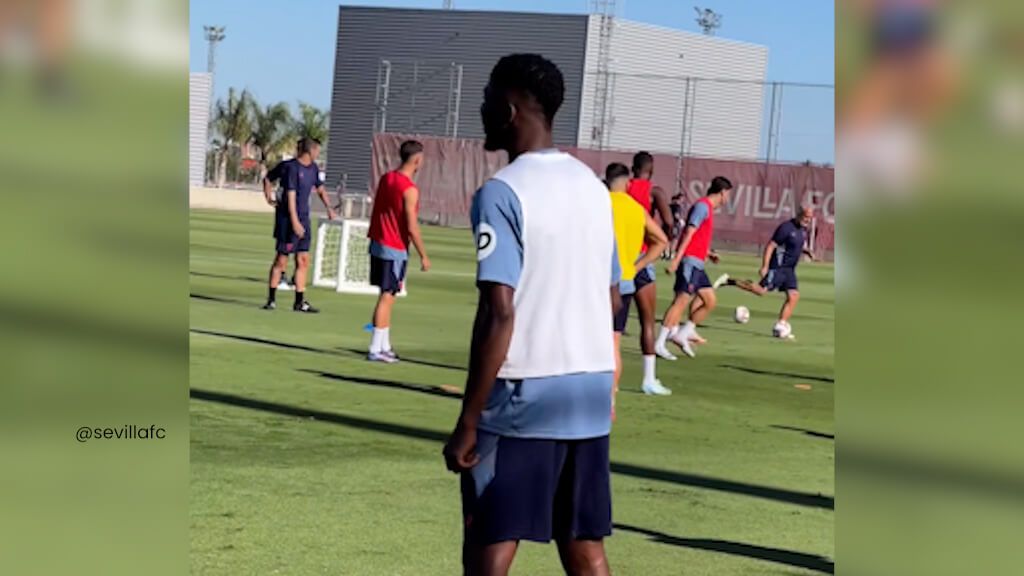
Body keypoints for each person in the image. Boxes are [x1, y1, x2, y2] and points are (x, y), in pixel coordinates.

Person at [443, 53, 619, 576]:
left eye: (487, 98)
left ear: (509, 108)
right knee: (585, 548)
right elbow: (612, 299)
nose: (481, 107)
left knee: (489, 549)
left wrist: (469, 419)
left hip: (525, 396)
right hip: (588, 392)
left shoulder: (502, 192)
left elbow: (499, 312)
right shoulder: (594, 188)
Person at [606, 163, 670, 400]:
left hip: (596, 281)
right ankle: (610, 396)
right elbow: (662, 240)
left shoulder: (598, 204)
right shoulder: (636, 209)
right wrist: (636, 266)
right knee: (614, 341)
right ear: (628, 183)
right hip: (624, 281)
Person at [365, 139, 431, 363]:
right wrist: (424, 255)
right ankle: (375, 348)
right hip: (394, 246)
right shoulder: (409, 189)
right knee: (387, 296)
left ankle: (384, 345)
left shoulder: (386, 178)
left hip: (378, 241)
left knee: (388, 295)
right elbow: (412, 226)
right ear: (417, 160)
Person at [654, 176, 733, 360]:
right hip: (689, 262)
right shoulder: (702, 207)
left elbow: (698, 237)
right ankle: (660, 342)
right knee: (681, 301)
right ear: (722, 193)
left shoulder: (708, 209)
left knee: (710, 301)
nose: (727, 199)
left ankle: (684, 333)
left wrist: (707, 253)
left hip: (698, 262)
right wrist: (676, 259)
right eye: (728, 195)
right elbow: (688, 234)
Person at [262, 138, 336, 312]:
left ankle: (299, 301)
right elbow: (287, 193)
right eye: (317, 150)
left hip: (304, 218)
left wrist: (329, 208)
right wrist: (269, 198)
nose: (319, 153)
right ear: (310, 151)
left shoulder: (313, 169)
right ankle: (271, 299)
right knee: (282, 259)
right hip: (288, 220)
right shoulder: (291, 168)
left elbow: (320, 189)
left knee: (302, 260)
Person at [624, 153, 676, 388]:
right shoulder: (655, 192)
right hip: (643, 257)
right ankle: (648, 379)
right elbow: (669, 222)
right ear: (651, 170)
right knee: (647, 321)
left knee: (611, 323)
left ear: (632, 168)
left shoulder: (621, 188)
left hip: (620, 256)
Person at [724, 207, 816, 338]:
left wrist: (806, 251)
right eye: (806, 217)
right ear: (799, 214)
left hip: (789, 270)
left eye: (810, 218)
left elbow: (794, 245)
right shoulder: (785, 228)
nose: (808, 220)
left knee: (794, 296)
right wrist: (765, 266)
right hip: (777, 267)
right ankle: (730, 281)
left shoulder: (803, 230)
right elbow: (771, 246)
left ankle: (781, 324)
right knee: (761, 291)